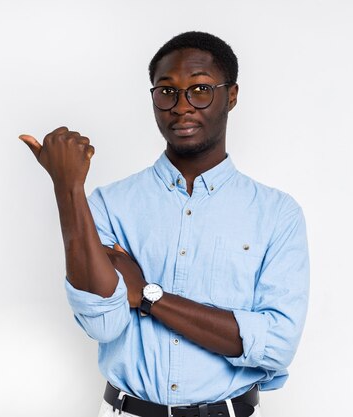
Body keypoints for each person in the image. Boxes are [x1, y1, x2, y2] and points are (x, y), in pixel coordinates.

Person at [19, 31, 309, 417]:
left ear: (232, 96)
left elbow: (275, 343)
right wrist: (68, 187)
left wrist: (148, 296)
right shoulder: (109, 204)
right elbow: (103, 323)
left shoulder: (277, 214)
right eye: (167, 92)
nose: (182, 106)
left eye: (201, 89)